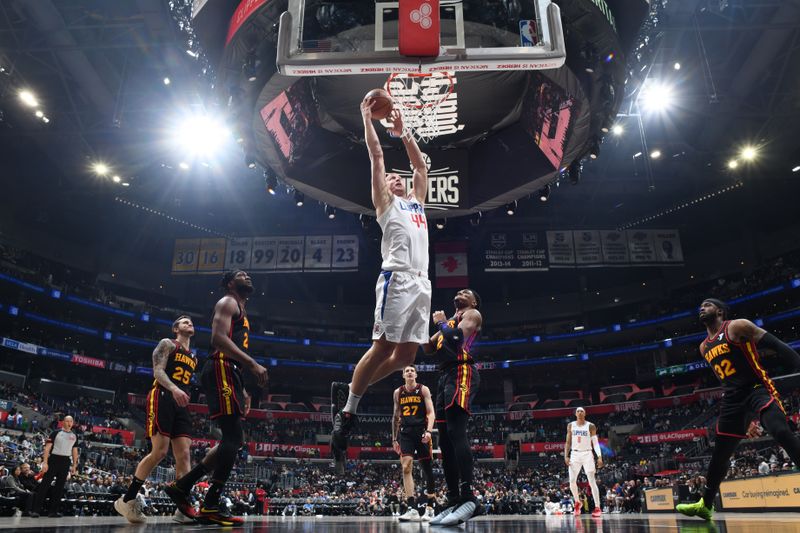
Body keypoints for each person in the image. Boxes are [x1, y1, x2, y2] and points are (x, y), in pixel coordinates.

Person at [330, 97, 431, 472]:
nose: (397, 177)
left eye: (398, 176)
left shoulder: (418, 202)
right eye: (392, 177)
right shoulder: (385, 203)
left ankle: (357, 385)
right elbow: (376, 155)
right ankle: (348, 412)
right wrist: (365, 118)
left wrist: (404, 134)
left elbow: (420, 165)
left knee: (406, 358)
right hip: (397, 279)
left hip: (421, 283)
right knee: (383, 346)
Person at [676, 298, 800, 520]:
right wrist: (747, 419)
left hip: (756, 389)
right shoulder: (704, 347)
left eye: (707, 305)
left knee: (780, 431)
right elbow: (723, 378)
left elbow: (776, 345)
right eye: (700, 306)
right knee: (719, 456)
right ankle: (705, 504)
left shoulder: (736, 326)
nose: (701, 308)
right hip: (733, 400)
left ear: (720, 311)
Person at [165, 270, 268, 526]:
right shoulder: (227, 302)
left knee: (233, 440)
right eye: (242, 275)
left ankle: (183, 486)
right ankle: (209, 504)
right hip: (221, 366)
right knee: (234, 437)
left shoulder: (239, 308)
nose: (249, 277)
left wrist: (242, 386)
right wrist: (252, 363)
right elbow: (217, 339)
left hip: (231, 371)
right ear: (231, 282)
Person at [114, 315, 198, 524]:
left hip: (181, 402)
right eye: (184, 322)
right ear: (175, 328)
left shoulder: (194, 357)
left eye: (191, 322)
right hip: (162, 395)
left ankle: (182, 507)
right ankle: (128, 499)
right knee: (159, 452)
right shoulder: (167, 344)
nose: (189, 323)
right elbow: (158, 371)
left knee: (185, 455)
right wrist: (174, 388)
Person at [421, 288, 482, 526]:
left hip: (462, 371)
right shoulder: (447, 321)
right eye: (458, 291)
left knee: (457, 432)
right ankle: (454, 498)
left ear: (473, 300)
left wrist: (440, 324)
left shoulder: (473, 314)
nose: (460, 292)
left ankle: (469, 497)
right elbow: (427, 348)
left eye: (466, 291)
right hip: (444, 376)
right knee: (445, 441)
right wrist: (419, 324)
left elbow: (457, 340)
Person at [392, 365, 436, 522]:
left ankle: (430, 508)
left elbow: (431, 413)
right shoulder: (398, 392)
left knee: (427, 469)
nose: (409, 372)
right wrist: (394, 438)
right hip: (405, 433)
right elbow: (395, 416)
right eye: (406, 371)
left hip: (422, 431)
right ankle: (412, 508)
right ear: (403, 375)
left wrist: (429, 431)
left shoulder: (423, 389)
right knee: (406, 467)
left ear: (416, 374)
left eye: (412, 370)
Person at [29, 415, 79, 517]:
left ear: (72, 423)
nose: (69, 423)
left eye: (71, 421)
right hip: (53, 459)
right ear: (63, 422)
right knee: (45, 485)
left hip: (65, 461)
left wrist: (74, 465)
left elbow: (75, 452)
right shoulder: (55, 433)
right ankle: (36, 510)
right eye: (67, 421)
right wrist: (45, 462)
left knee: (59, 487)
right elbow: (47, 449)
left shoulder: (74, 436)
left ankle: (53, 512)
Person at [564, 407, 603, 517]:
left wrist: (599, 457)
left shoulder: (590, 425)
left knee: (592, 481)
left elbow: (595, 443)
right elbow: (567, 442)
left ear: (585, 413)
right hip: (575, 454)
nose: (580, 412)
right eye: (578, 411)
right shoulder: (571, 425)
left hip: (587, 454)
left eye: (582, 411)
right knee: (571, 481)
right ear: (575, 414)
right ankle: (577, 502)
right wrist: (566, 456)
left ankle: (597, 507)